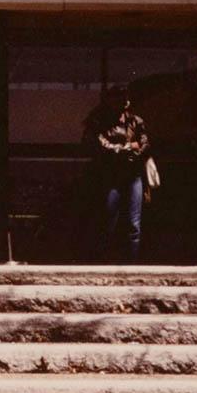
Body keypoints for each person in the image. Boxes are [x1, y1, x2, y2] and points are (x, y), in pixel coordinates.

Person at [84, 84, 151, 262]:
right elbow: (98, 143)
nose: (120, 102)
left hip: (132, 174)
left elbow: (145, 144)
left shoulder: (136, 121)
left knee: (133, 223)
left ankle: (131, 263)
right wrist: (125, 149)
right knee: (108, 220)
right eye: (116, 98)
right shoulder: (98, 120)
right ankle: (105, 261)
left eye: (122, 98)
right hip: (110, 175)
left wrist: (128, 149)